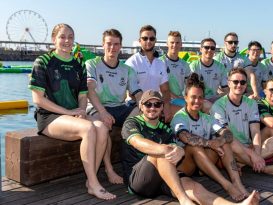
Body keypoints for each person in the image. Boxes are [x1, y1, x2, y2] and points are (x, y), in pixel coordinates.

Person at [121, 90, 260, 205]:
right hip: (138, 181)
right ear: (141, 106)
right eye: (148, 104)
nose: (152, 108)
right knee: (163, 151)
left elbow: (177, 148)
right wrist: (167, 149)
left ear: (162, 107)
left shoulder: (165, 129)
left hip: (163, 178)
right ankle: (184, 201)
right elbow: (137, 142)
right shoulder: (132, 123)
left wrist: (179, 150)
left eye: (157, 104)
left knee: (195, 187)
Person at [29, 23, 115, 200]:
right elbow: (38, 99)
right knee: (88, 129)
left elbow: (83, 94)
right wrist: (67, 112)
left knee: (102, 128)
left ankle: (91, 180)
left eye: (70, 37)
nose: (67, 41)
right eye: (62, 37)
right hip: (49, 117)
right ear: (54, 40)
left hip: (73, 115)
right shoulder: (43, 62)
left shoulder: (78, 63)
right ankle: (93, 182)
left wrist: (82, 110)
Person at [171, 73, 249, 201]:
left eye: (200, 97)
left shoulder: (206, 118)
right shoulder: (180, 117)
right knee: (194, 147)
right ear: (185, 98)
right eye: (193, 97)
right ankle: (226, 185)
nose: (197, 101)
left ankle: (237, 183)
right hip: (185, 165)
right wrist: (209, 143)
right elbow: (185, 137)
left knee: (224, 142)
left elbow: (228, 133)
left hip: (204, 166)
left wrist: (220, 140)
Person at [86, 28, 143, 185]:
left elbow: (137, 93)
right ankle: (109, 170)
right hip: (97, 107)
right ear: (102, 45)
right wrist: (103, 112)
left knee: (142, 111)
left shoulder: (127, 70)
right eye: (109, 44)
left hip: (119, 106)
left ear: (121, 46)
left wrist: (145, 107)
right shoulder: (92, 64)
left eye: (116, 44)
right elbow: (90, 91)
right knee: (103, 125)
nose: (112, 48)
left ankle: (136, 162)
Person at [211, 68, 273, 176]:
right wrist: (251, 154)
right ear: (228, 83)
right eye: (235, 82)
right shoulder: (218, 106)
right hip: (231, 145)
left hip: (248, 146)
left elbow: (255, 131)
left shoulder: (251, 103)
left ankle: (243, 163)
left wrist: (257, 154)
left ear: (246, 85)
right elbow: (228, 136)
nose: (239, 85)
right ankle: (263, 168)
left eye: (243, 82)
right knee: (230, 143)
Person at [125, 25, 174, 122]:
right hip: (135, 104)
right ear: (140, 40)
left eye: (151, 38)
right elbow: (131, 94)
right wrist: (150, 106)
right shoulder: (132, 62)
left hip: (155, 104)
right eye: (145, 38)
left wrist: (166, 106)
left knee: (184, 112)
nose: (148, 41)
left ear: (155, 40)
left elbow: (165, 90)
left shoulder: (160, 63)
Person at [189, 38, 228, 112]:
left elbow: (226, 90)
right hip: (197, 99)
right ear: (201, 49)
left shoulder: (220, 67)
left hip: (214, 99)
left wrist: (218, 97)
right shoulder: (193, 66)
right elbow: (191, 90)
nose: (209, 50)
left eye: (212, 48)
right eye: (206, 47)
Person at [159, 31, 191, 107]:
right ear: (167, 44)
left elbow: (189, 85)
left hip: (179, 99)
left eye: (177, 42)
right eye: (172, 42)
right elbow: (159, 86)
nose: (174, 45)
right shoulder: (160, 62)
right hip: (163, 100)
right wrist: (177, 98)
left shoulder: (184, 64)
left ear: (181, 44)